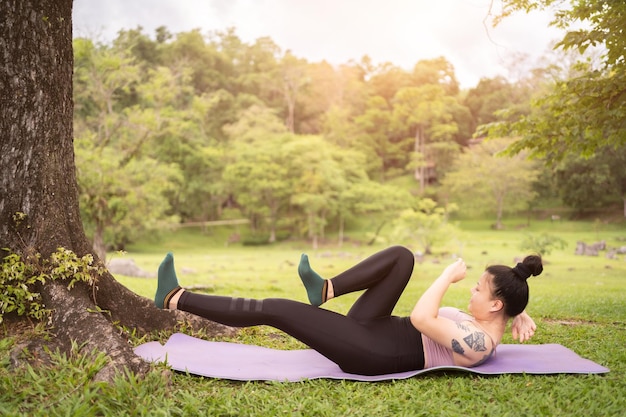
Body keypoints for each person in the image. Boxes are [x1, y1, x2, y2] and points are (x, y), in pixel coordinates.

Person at [154, 246, 542, 376]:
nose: (471, 291)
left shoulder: (479, 345)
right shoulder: (487, 320)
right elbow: (496, 308)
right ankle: (326, 289)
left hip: (371, 351)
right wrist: (516, 312)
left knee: (274, 309)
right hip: (379, 327)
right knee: (402, 258)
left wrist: (444, 277)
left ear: (494, 304)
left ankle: (175, 297)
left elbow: (424, 319)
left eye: (478, 289)